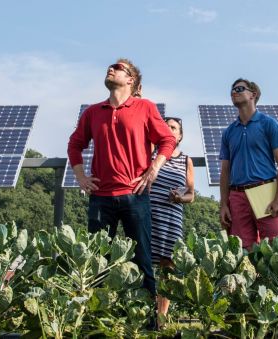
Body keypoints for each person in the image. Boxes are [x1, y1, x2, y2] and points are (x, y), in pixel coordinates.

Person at [67, 58, 176, 298]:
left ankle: (147, 322)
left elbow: (167, 140)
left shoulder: (145, 107)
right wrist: (81, 177)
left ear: (130, 80)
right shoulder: (93, 112)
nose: (111, 68)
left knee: (142, 258)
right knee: (96, 260)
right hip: (100, 198)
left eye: (118, 68)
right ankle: (98, 320)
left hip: (135, 196)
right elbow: (75, 144)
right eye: (110, 66)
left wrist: (154, 169)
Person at [219, 78, 278, 249]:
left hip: (266, 192)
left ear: (253, 94)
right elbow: (225, 172)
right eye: (232, 90)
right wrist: (223, 205)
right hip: (237, 196)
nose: (234, 92)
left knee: (275, 248)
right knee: (243, 252)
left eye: (239, 89)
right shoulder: (228, 132)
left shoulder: (269, 124)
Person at [149, 116, 195, 320]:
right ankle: (145, 313)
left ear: (180, 135)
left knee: (168, 266)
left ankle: (161, 317)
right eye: (166, 126)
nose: (169, 129)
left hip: (171, 217)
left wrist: (180, 198)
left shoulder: (186, 160)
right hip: (149, 214)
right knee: (145, 262)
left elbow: (191, 194)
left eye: (174, 127)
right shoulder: (150, 154)